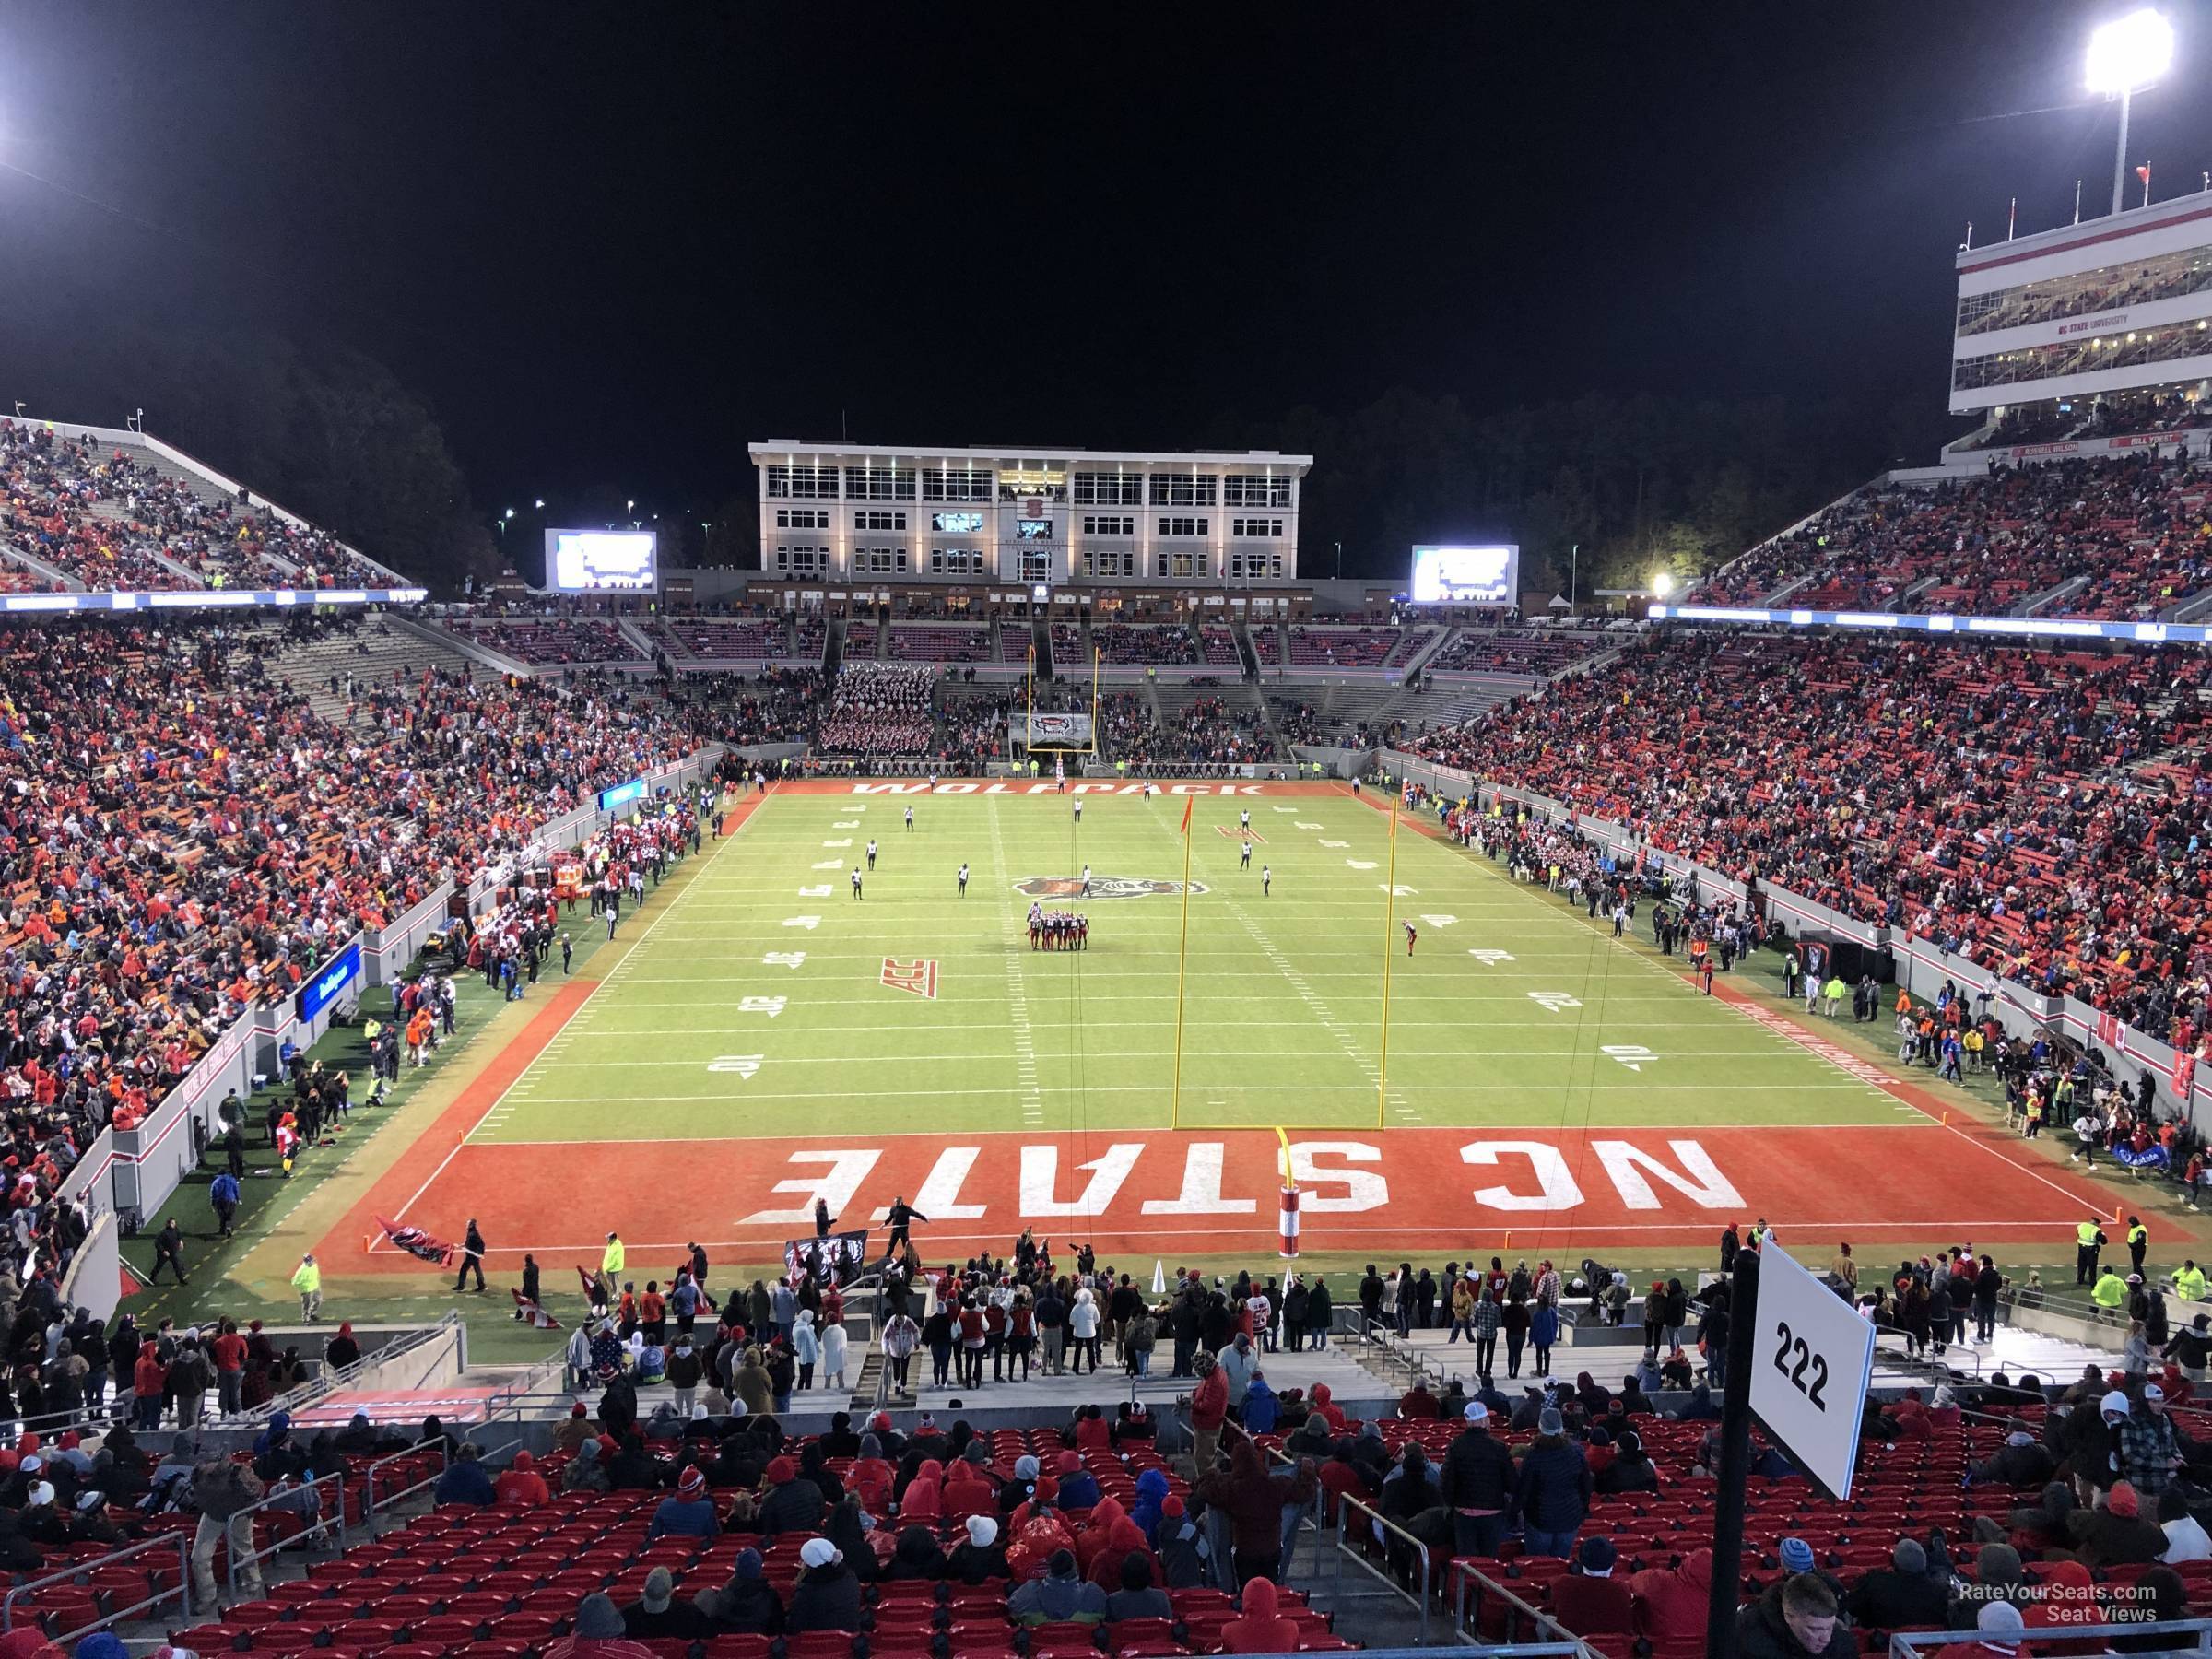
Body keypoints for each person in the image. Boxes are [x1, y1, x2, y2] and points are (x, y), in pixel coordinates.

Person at [1737, 1571, 1854, 1658]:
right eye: (1814, 1629)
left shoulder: (1841, 1642)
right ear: (1789, 1616)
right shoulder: (1744, 1638)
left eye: (1830, 1627)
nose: (1826, 1639)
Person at [1549, 1536, 1633, 1640]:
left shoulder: (1563, 1584)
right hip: (1614, 1650)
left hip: (1572, 1649)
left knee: (1544, 1621)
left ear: (1580, 1560)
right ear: (1613, 1563)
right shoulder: (1622, 1589)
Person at [787, 1536, 862, 1631]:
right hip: (849, 1640)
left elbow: (795, 1627)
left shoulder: (806, 1592)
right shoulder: (850, 1576)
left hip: (815, 1642)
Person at [455, 1220, 487, 1293]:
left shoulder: (472, 1234)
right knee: (477, 1270)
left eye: (467, 1223)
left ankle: (461, 1287)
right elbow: (470, 1242)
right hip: (473, 1255)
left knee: (463, 1270)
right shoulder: (472, 1232)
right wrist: (462, 1245)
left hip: (471, 1256)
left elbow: (480, 1244)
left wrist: (480, 1253)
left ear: (471, 1225)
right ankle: (481, 1286)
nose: (466, 1224)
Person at [292, 1253, 322, 1321]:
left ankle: (312, 1313)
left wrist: (317, 1282)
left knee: (318, 1301)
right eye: (310, 1261)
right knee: (306, 1305)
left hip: (315, 1287)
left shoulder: (314, 1265)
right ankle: (305, 1319)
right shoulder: (301, 1271)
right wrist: (303, 1288)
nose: (312, 1262)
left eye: (312, 1260)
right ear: (306, 1262)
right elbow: (294, 1282)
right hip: (306, 1290)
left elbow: (316, 1274)